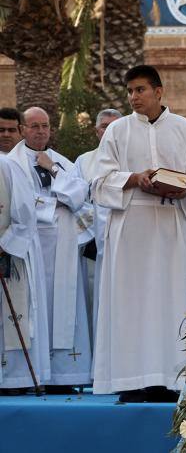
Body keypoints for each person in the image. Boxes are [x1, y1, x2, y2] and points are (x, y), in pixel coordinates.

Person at [92, 65, 186, 403]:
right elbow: (99, 182)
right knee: (130, 301)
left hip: (172, 226)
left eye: (140, 90)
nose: (134, 97)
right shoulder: (117, 131)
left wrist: (181, 189)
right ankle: (130, 381)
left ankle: (167, 380)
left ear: (159, 92)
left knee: (171, 300)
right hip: (131, 228)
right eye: (130, 91)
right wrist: (135, 178)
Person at [6, 107, 93, 393]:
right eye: (34, 126)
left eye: (45, 126)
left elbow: (80, 195)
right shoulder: (12, 163)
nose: (41, 131)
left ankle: (63, 376)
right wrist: (55, 205)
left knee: (64, 305)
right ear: (22, 130)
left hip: (63, 245)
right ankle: (36, 373)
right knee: (34, 308)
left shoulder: (60, 161)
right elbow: (18, 201)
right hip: (29, 246)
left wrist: (52, 170)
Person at [0, 155, 50, 394]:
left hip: (8, 254)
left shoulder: (7, 166)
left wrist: (4, 244)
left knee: (11, 314)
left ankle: (14, 379)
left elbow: (25, 215)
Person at [74, 109, 123, 342]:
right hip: (93, 247)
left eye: (116, 125)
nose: (110, 130)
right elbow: (77, 201)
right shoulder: (83, 162)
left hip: (128, 247)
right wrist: (99, 228)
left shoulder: (136, 161)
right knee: (95, 303)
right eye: (105, 126)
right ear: (96, 131)